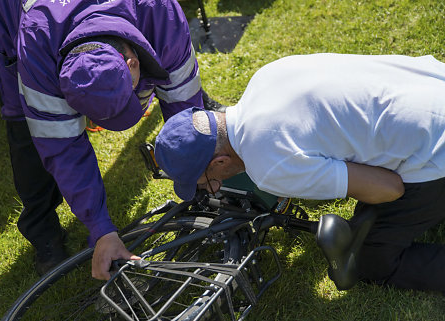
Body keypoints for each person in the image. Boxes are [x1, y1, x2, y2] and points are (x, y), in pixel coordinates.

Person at [154, 53, 445, 292]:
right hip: (432, 82)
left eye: (209, 181)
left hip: (436, 147)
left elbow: (390, 188)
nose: (216, 185)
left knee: (369, 258)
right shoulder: (265, 76)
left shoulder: (268, 167)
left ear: (218, 163)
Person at [0, 0, 221, 280]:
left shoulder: (159, 12)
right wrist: (102, 229)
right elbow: (62, 149)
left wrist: (197, 165)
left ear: (131, 61)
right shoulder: (36, 45)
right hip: (10, 9)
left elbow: (182, 99)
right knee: (24, 126)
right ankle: (42, 229)